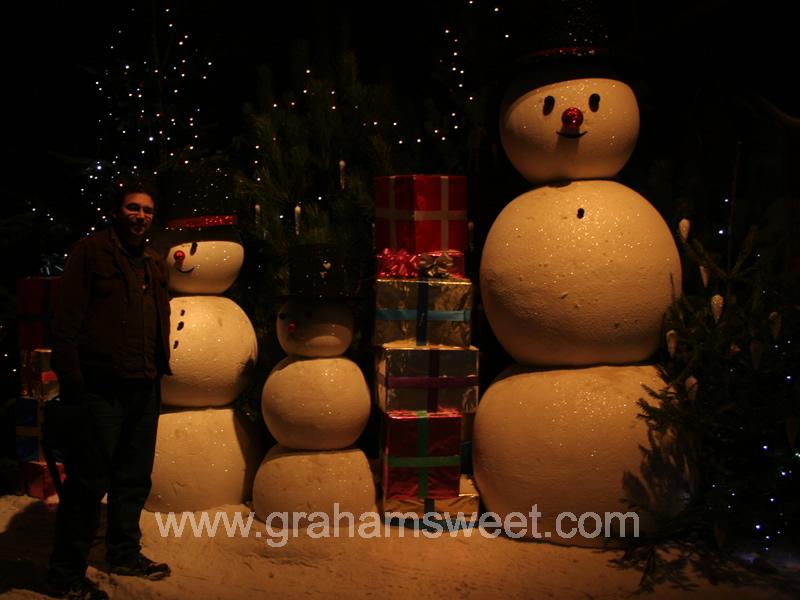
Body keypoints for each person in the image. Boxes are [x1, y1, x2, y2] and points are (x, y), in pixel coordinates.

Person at [46, 183, 172, 599]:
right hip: (100, 389)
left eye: (148, 211)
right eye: (133, 208)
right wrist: (74, 384)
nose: (140, 216)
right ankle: (65, 575)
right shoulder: (90, 252)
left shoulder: (153, 263)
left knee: (133, 479)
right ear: (118, 212)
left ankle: (123, 553)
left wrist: (157, 374)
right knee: (87, 483)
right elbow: (66, 323)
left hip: (144, 386)